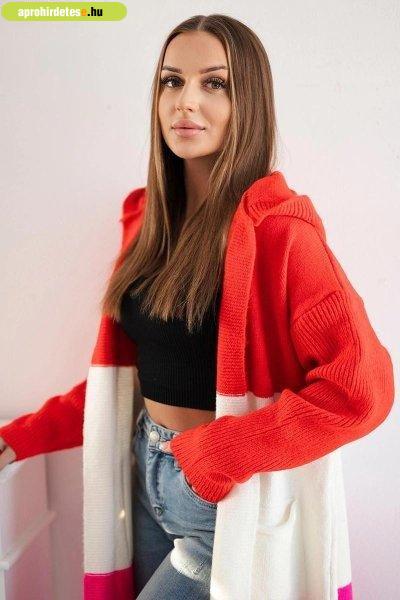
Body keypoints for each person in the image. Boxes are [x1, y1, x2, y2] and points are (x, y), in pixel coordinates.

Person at [0, 14, 394, 600]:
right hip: (145, 479)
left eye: (214, 83)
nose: (185, 101)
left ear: (248, 103)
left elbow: (362, 390)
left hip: (220, 501)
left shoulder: (282, 234)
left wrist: (216, 455)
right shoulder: (147, 224)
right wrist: (21, 437)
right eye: (171, 81)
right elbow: (127, 380)